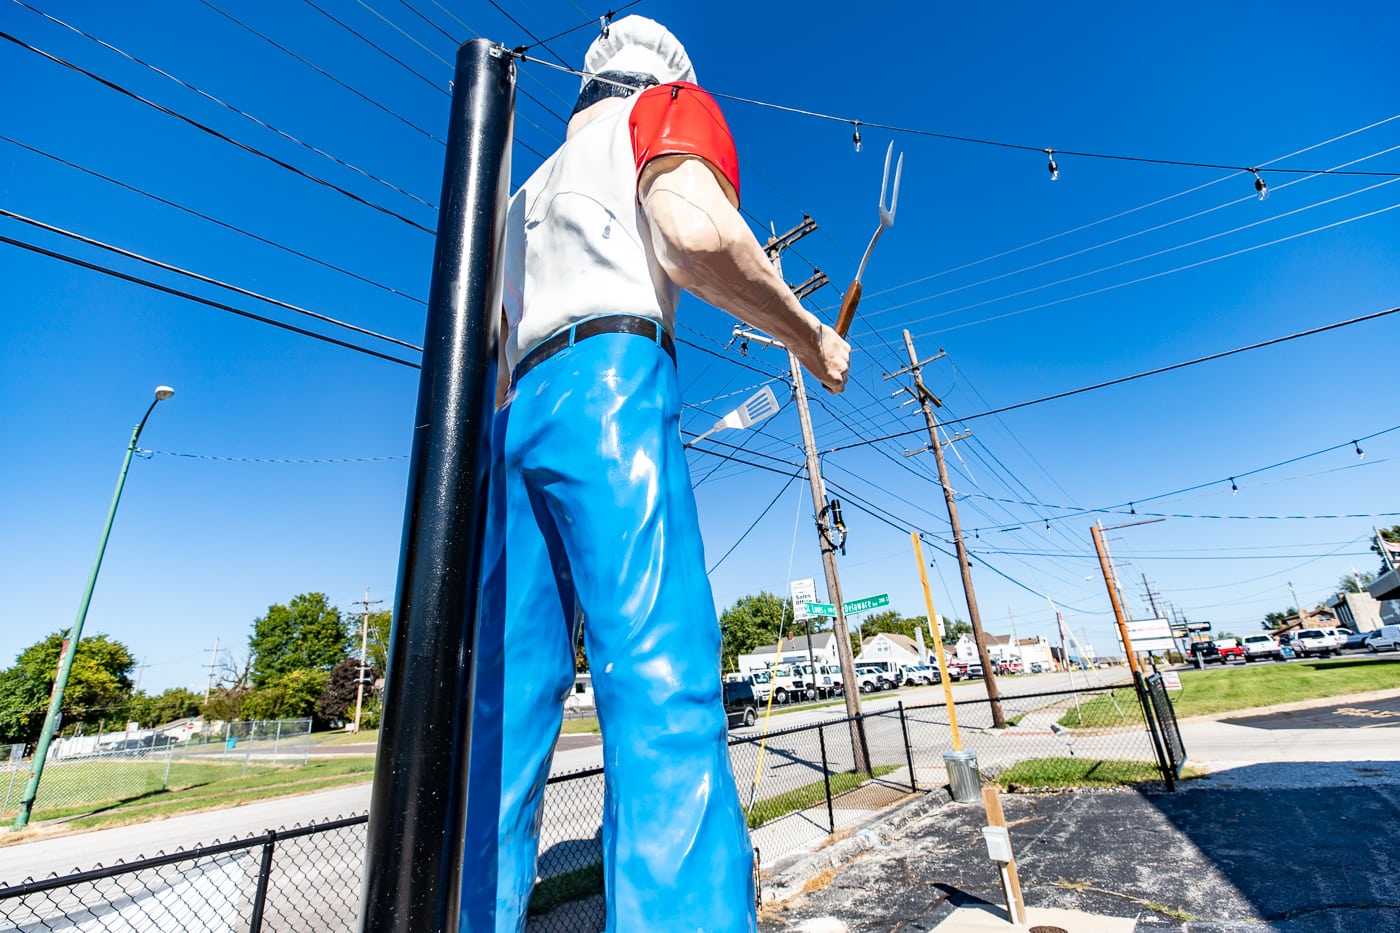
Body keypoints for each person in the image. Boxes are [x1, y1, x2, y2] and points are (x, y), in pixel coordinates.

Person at [462, 16, 849, 932]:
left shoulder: (518, 193)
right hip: (612, 386)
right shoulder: (667, 110)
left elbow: (484, 331)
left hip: (512, 413)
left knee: (503, 709)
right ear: (661, 77)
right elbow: (692, 234)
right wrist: (810, 335)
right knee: (658, 680)